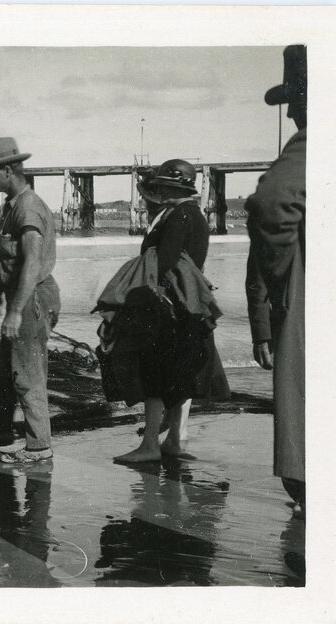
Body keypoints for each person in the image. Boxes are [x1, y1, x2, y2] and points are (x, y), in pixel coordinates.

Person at [108, 159, 231, 464]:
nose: (158, 190)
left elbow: (163, 262)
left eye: (162, 185)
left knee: (154, 376)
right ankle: (174, 440)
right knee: (180, 376)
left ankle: (150, 445)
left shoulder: (178, 215)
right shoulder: (195, 215)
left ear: (173, 186)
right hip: (186, 308)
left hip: (168, 308)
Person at [245, 44, 306, 510]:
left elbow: (271, 206)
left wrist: (284, 281)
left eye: (296, 101)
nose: (290, 116)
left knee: (304, 441)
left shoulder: (312, 144)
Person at [0, 137, 61, 463]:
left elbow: (32, 264)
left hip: (33, 297)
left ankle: (39, 447)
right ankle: (0, 434)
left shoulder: (27, 208)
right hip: (20, 294)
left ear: (8, 170)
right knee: (2, 371)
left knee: (26, 373)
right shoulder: (12, 205)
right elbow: (11, 265)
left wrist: (14, 311)